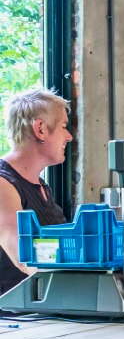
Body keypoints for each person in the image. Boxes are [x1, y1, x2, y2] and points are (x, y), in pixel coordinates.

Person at [0, 89, 73, 296]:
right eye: (64, 127)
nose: (69, 137)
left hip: (44, 307)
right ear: (40, 129)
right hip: (15, 314)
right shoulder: (3, 185)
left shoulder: (40, 186)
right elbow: (24, 257)